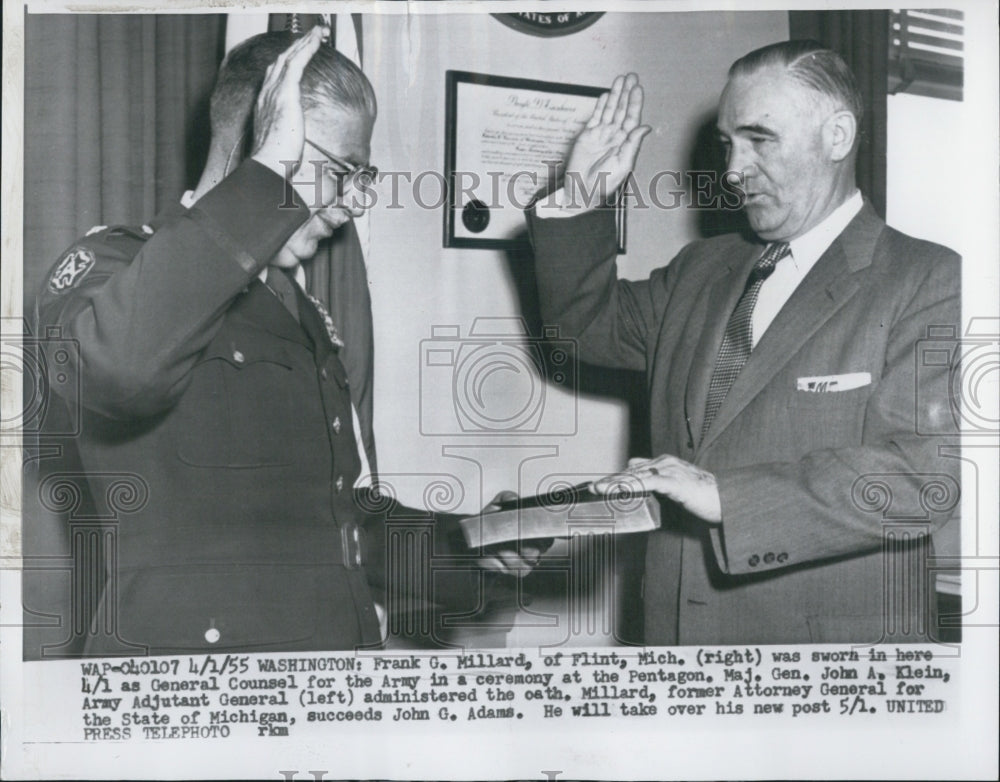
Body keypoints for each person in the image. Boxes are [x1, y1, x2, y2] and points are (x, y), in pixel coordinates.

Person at [34, 27, 534, 656]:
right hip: (196, 705)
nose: (354, 202)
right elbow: (119, 371)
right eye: (339, 171)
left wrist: (475, 546)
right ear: (260, 139)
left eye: (364, 176)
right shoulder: (112, 265)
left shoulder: (299, 309)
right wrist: (266, 179)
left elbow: (341, 528)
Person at [525, 40, 961, 645]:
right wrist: (580, 197)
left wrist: (722, 495)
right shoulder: (702, 268)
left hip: (823, 671)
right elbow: (583, 329)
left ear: (837, 137)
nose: (732, 169)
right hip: (674, 642)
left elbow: (920, 479)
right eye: (729, 143)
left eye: (761, 139)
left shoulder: (930, 279)